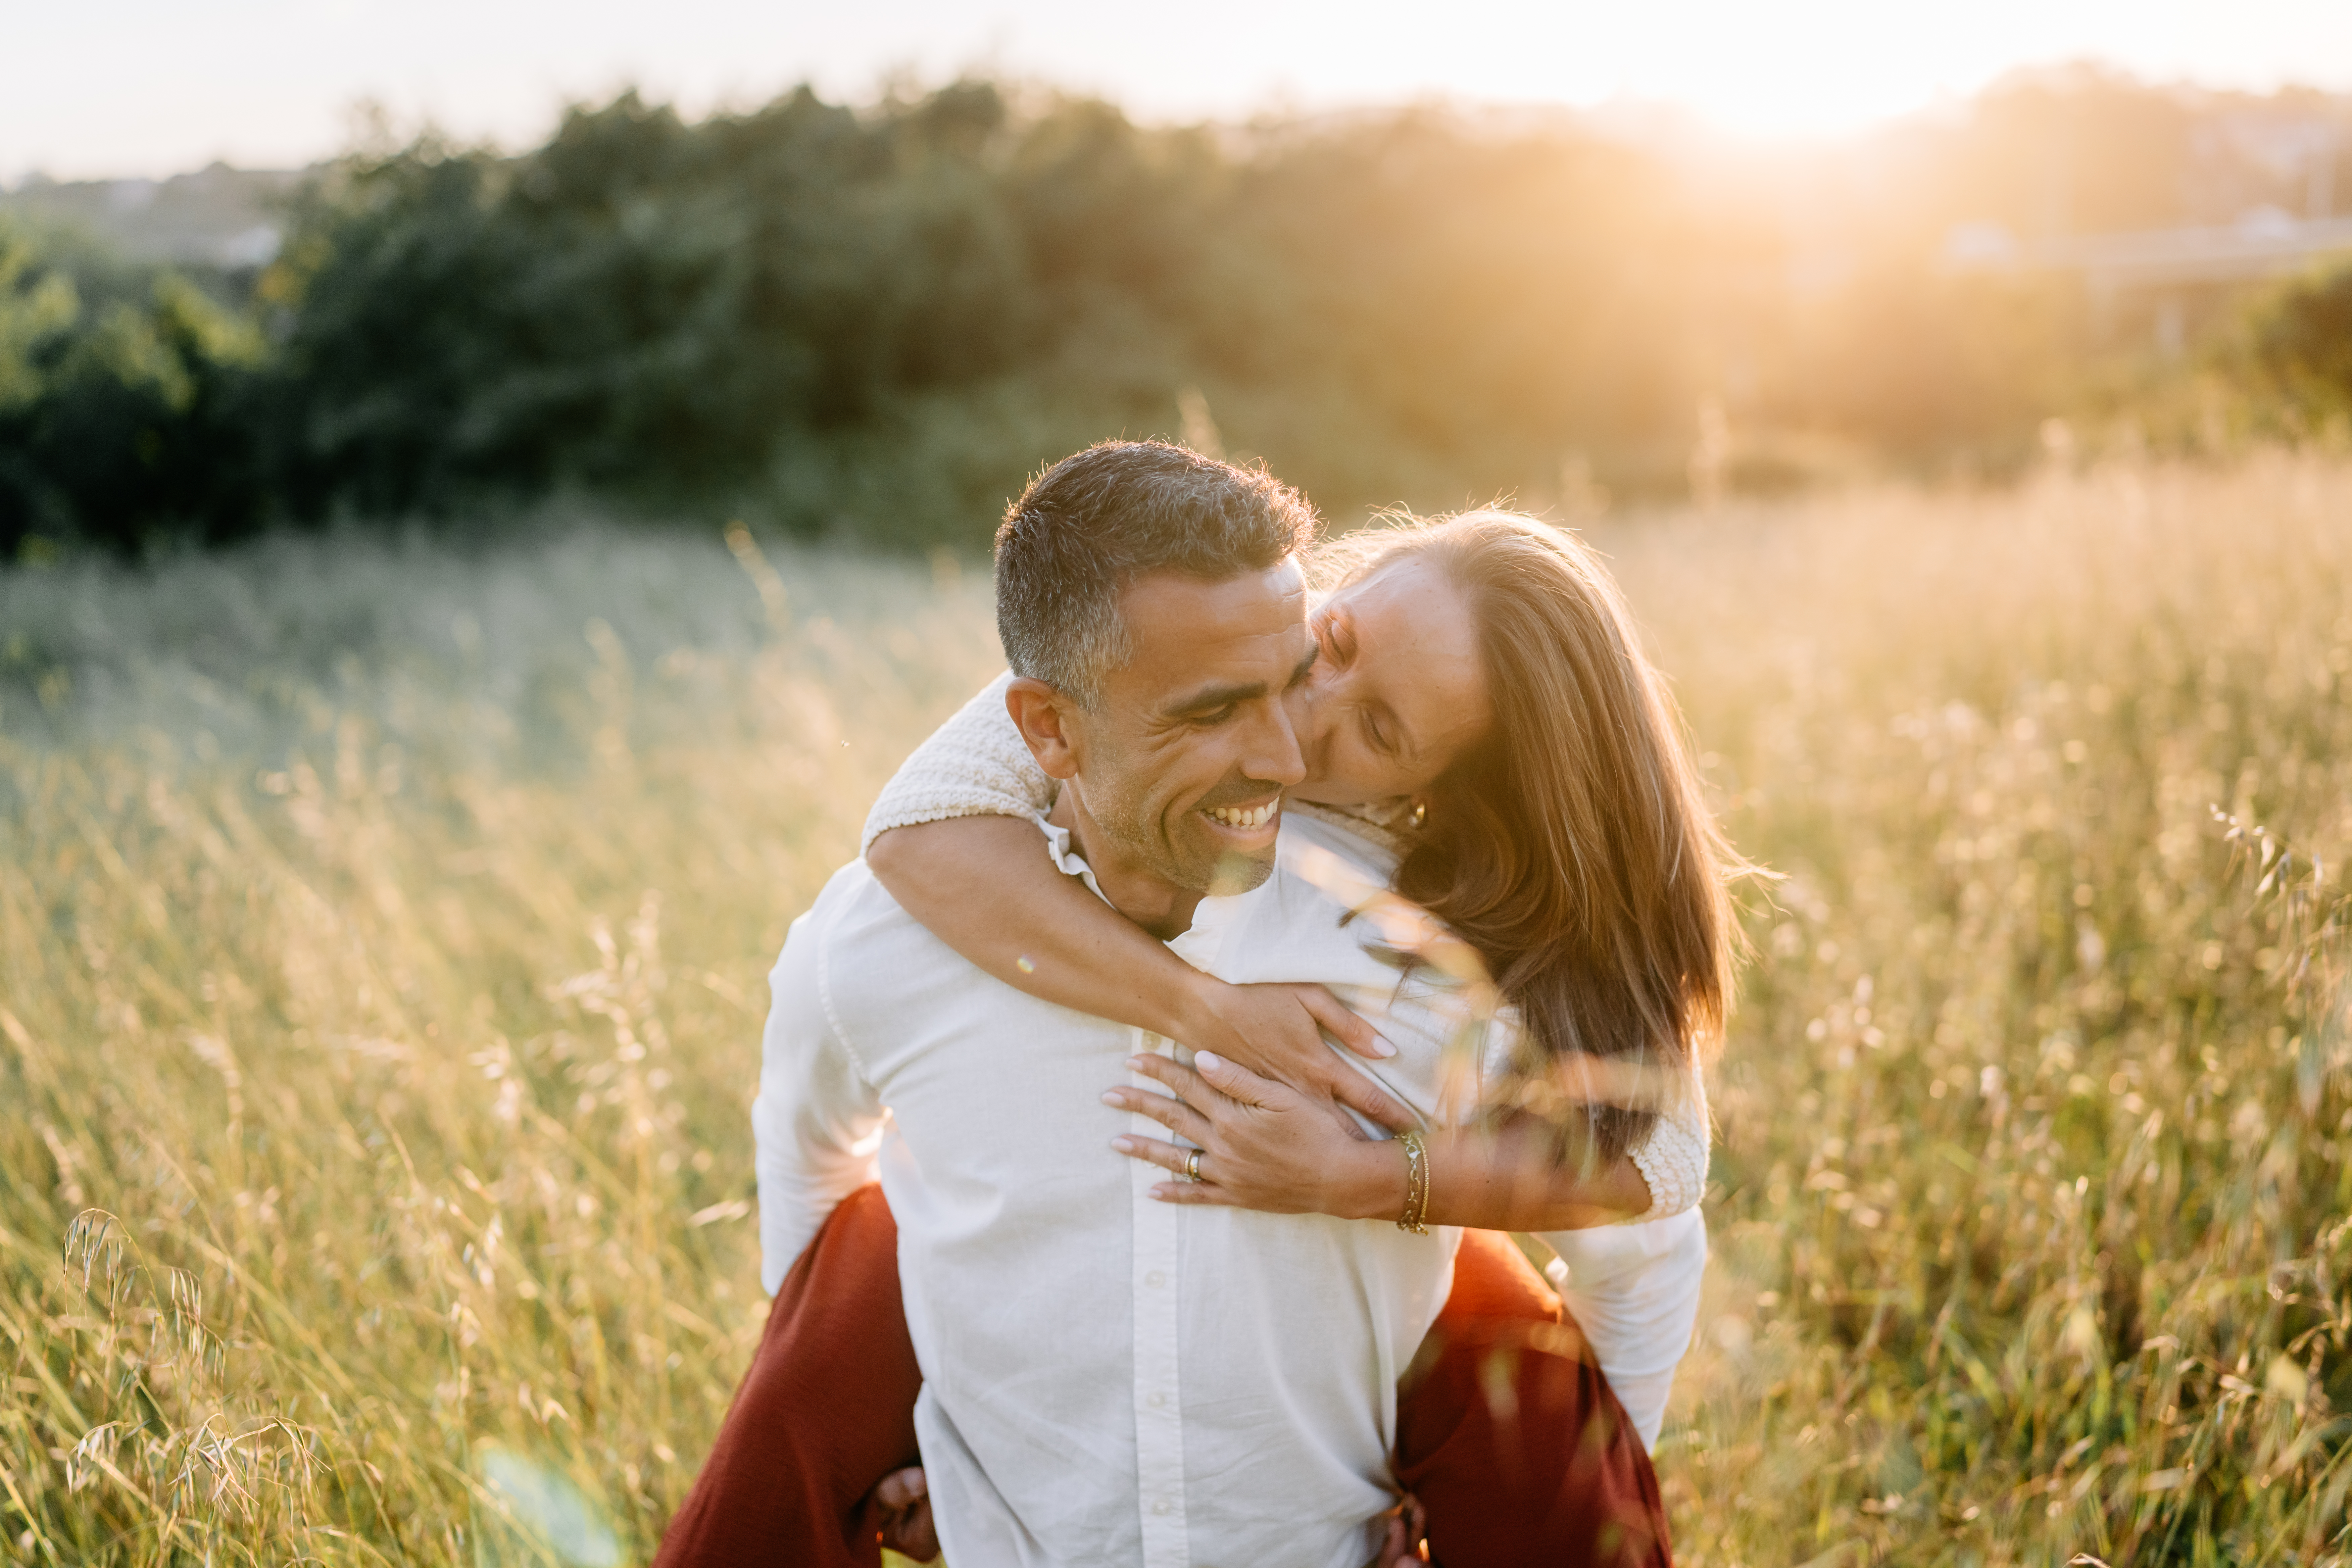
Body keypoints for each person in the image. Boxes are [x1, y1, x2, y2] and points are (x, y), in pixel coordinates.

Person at [656, 443, 1692, 1568]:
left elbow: (1657, 1184)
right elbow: (920, 828)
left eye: (1379, 731)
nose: (1297, 732)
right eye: (1326, 650)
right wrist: (881, 1424)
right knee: (877, 1232)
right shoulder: (903, 910)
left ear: (1431, 795)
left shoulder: (1435, 963)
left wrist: (1566, 1490)